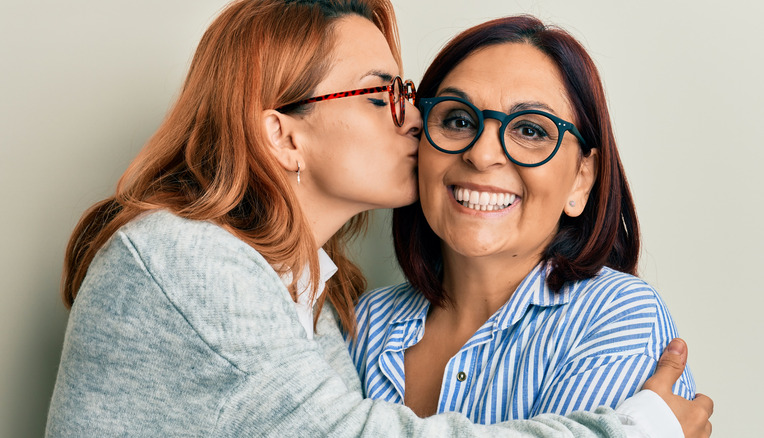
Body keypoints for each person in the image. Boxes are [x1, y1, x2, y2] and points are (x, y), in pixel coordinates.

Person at [46, 1, 712, 436]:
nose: (416, 121)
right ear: (282, 136)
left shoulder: (325, 306)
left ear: (583, 179)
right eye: (381, 95)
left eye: (532, 131)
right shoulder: (195, 262)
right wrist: (637, 427)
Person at [349, 14, 711, 437]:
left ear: (581, 179)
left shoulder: (618, 318)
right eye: (458, 120)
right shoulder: (364, 323)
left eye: (530, 130)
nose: (482, 155)